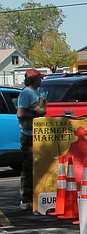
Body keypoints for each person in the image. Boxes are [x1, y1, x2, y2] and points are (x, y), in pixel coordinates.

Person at [16, 68, 47, 210]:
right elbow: (20, 114)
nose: (41, 80)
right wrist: (36, 112)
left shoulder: (37, 92)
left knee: (39, 167)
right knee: (28, 167)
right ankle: (25, 199)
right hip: (28, 136)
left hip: (37, 135)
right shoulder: (26, 93)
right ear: (34, 79)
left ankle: (36, 196)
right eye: (39, 78)